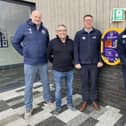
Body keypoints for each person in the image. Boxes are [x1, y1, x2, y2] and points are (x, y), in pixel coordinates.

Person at [12, 10, 51, 119]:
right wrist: (24, 53)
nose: (37, 18)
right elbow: (15, 42)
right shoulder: (23, 27)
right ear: (31, 17)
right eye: (35, 16)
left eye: (39, 17)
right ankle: (28, 108)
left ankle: (47, 100)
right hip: (30, 63)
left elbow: (47, 44)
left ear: (41, 18)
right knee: (29, 86)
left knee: (46, 83)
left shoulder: (45, 30)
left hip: (43, 62)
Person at [74, 14, 103, 112]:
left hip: (95, 64)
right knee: (84, 83)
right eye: (86, 20)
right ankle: (85, 101)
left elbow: (101, 49)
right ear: (84, 22)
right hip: (83, 64)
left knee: (94, 83)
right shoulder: (79, 34)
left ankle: (94, 100)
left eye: (90, 20)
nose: (88, 22)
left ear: (92, 21)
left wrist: (100, 60)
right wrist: (77, 62)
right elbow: (75, 49)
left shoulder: (98, 33)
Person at [48, 24, 74, 114]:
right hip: (57, 71)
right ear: (57, 32)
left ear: (66, 31)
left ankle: (70, 104)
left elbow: (74, 55)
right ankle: (58, 107)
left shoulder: (71, 42)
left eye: (64, 30)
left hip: (69, 70)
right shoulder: (52, 42)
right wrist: (55, 62)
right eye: (60, 30)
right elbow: (48, 55)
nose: (62, 32)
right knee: (58, 89)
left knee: (70, 88)